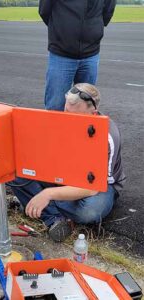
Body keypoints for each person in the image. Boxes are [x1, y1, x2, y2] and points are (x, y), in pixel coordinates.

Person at [11, 83, 126, 242]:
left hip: (100, 187)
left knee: (90, 212)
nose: (68, 118)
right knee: (16, 174)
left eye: (75, 115)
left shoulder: (107, 136)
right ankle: (54, 217)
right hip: (67, 175)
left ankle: (40, 206)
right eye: (66, 111)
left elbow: (91, 188)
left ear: (92, 112)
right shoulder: (64, 120)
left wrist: (47, 194)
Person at [39, 0, 116, 111]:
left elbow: (108, 9)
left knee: (86, 107)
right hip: (61, 53)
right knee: (55, 107)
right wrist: (61, 30)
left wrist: (94, 27)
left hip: (90, 53)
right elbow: (44, 10)